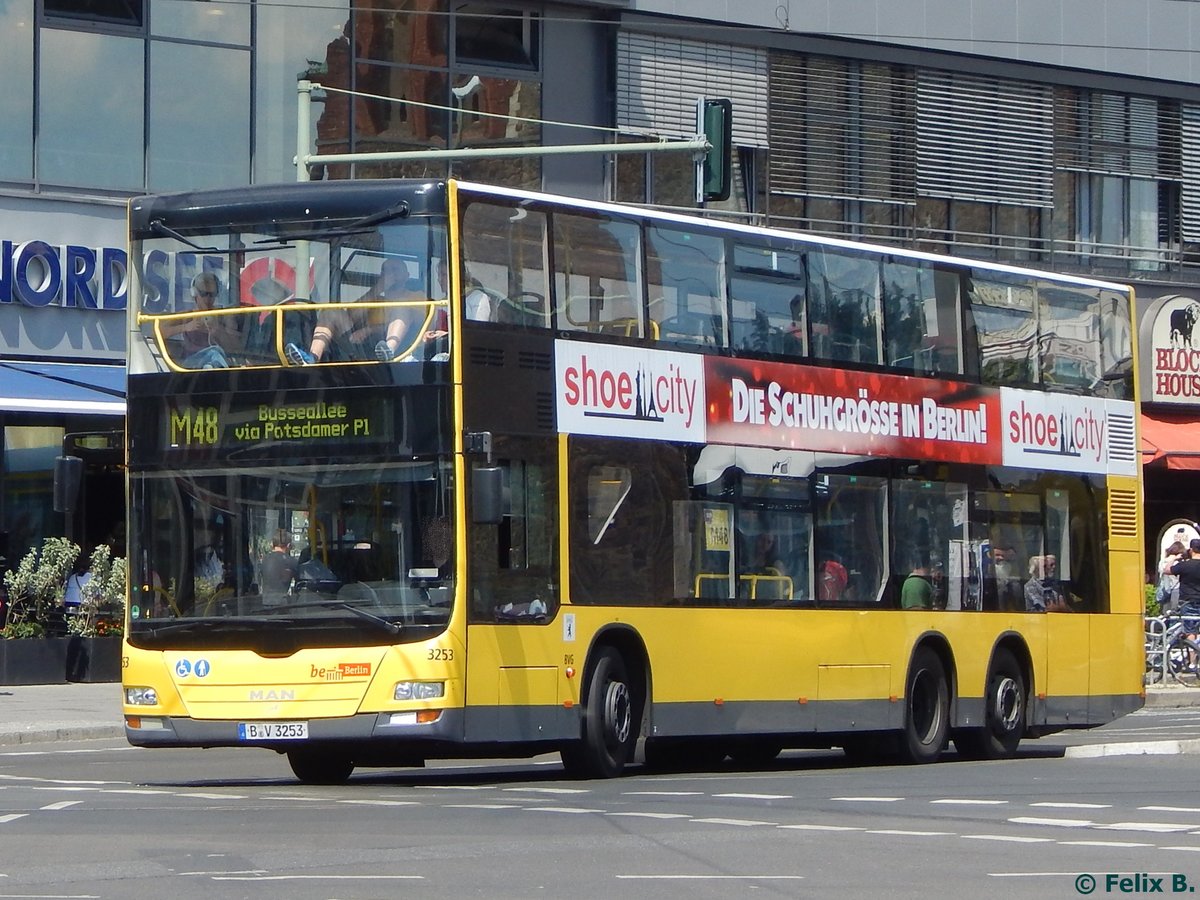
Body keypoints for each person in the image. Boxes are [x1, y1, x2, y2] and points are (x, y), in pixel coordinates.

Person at [286, 258, 413, 365]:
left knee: (401, 306)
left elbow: (413, 323)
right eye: (385, 271)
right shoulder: (375, 298)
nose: (389, 274)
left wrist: (369, 330)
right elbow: (351, 315)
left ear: (407, 276)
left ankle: (388, 351)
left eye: (395, 270)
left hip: (398, 347)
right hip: (363, 345)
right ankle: (312, 358)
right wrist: (378, 289)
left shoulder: (416, 297)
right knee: (330, 312)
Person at [161, 272, 240, 369]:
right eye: (203, 294)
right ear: (195, 294)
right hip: (192, 362)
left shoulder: (222, 316)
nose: (208, 298)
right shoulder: (188, 315)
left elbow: (235, 346)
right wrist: (186, 327)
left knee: (215, 353)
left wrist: (218, 331)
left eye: (212, 294)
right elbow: (159, 331)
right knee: (214, 353)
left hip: (217, 359)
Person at [261, 530, 298, 605]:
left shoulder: (264, 560)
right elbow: (299, 583)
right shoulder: (291, 561)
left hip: (265, 604)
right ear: (288, 545)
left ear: (272, 544)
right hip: (282, 606)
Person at [1158, 540, 1186, 613]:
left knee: (1164, 611)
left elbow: (1161, 572)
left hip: (1164, 588)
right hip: (1176, 589)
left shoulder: (1163, 561)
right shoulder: (1177, 562)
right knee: (1174, 612)